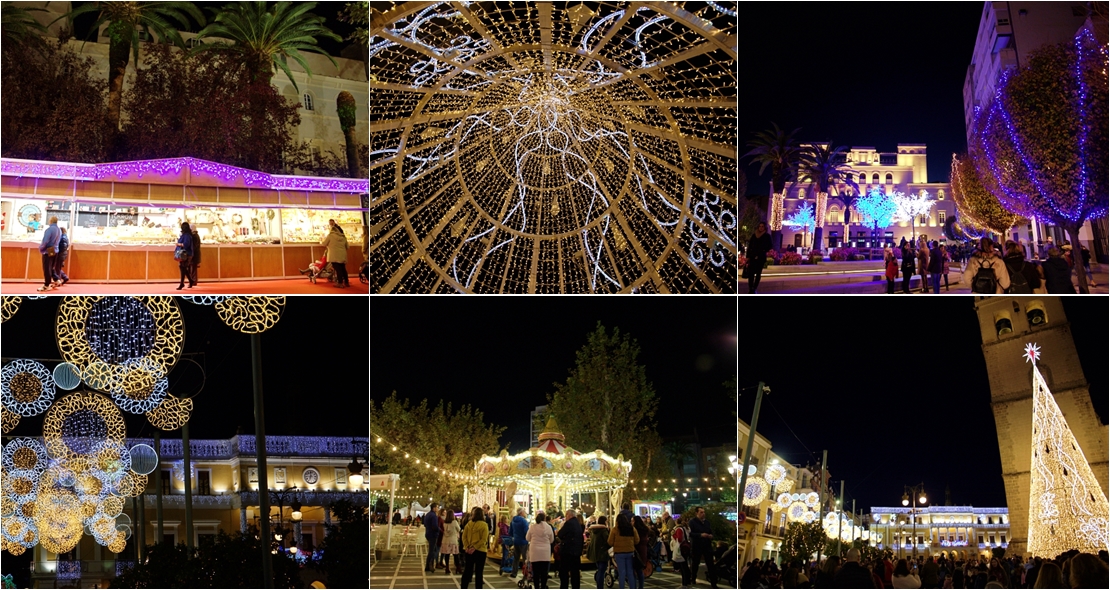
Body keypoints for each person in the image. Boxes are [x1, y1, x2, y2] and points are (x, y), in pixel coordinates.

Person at [688, 507, 718, 588]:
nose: (703, 514)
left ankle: (713, 583)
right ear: (696, 513)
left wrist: (711, 536)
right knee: (695, 563)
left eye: (704, 512)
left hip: (707, 545)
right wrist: (700, 535)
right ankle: (693, 578)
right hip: (697, 545)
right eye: (701, 512)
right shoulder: (692, 522)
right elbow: (690, 534)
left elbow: (711, 532)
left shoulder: (707, 522)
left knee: (710, 564)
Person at [461, 506, 490, 589]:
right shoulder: (484, 525)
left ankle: (463, 587)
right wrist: (475, 547)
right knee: (479, 573)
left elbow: (464, 536)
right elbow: (484, 539)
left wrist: (467, 547)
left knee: (467, 571)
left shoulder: (469, 524)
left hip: (469, 550)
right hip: (480, 551)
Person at [608, 513, 639, 589]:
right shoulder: (632, 528)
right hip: (630, 552)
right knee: (630, 573)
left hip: (619, 553)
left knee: (621, 573)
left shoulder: (615, 529)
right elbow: (637, 540)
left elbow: (610, 542)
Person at [526, 512, 555, 589]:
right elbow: (552, 540)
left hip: (535, 552)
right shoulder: (548, 527)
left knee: (536, 572)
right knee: (544, 572)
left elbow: (527, 538)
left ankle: (536, 587)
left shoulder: (532, 527)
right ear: (545, 518)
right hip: (545, 552)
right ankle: (543, 586)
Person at [558, 508, 584, 589]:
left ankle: (564, 587)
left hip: (567, 551)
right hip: (576, 551)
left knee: (564, 572)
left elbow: (560, 534)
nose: (565, 517)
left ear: (570, 515)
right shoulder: (578, 523)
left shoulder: (569, 523)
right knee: (575, 572)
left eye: (566, 515)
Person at [745, 222, 773, 294]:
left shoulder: (767, 236)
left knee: (758, 273)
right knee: (751, 273)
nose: (761, 228)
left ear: (764, 228)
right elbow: (750, 246)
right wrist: (748, 256)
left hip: (760, 257)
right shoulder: (754, 235)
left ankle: (754, 288)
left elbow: (770, 246)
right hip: (752, 256)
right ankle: (750, 287)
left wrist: (763, 250)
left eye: (762, 226)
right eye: (760, 226)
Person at [320, 223, 350, 287]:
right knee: (343, 268)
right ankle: (346, 282)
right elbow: (347, 247)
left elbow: (324, 244)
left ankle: (340, 283)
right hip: (342, 255)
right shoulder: (343, 237)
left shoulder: (330, 236)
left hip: (334, 255)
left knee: (338, 269)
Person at [37, 216, 61, 292]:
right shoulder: (59, 230)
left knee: (47, 268)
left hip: (48, 251)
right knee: (52, 267)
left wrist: (41, 248)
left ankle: (46, 285)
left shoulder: (49, 229)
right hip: (56, 250)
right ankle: (56, 280)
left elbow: (45, 241)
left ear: (50, 221)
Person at [587, 515, 611, 589]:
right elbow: (608, 541)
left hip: (595, 553)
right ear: (604, 522)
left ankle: (599, 586)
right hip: (602, 553)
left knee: (599, 570)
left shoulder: (593, 531)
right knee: (601, 570)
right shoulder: (603, 531)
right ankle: (600, 587)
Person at [670, 515, 692, 589]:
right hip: (686, 547)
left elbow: (679, 539)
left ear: (676, 522)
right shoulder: (686, 528)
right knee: (685, 566)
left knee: (683, 567)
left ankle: (684, 583)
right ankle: (688, 581)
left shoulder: (679, 529)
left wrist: (673, 534)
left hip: (681, 548)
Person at [175, 222, 196, 290]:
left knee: (182, 268)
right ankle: (190, 280)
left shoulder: (186, 235)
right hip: (186, 254)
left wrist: (179, 244)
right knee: (183, 268)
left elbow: (186, 244)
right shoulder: (187, 235)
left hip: (186, 254)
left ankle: (182, 283)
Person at [510, 508, 530, 578]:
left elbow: (510, 532)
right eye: (524, 512)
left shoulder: (513, 520)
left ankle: (514, 572)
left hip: (516, 541)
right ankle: (526, 574)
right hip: (523, 541)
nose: (525, 513)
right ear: (521, 513)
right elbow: (526, 532)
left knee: (516, 558)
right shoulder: (524, 521)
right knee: (525, 558)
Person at [631, 515, 650, 589]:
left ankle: (634, 587)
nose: (631, 522)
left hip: (636, 550)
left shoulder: (635, 530)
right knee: (639, 570)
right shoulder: (645, 529)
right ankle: (641, 587)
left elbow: (635, 540)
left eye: (632, 521)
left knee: (634, 570)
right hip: (643, 550)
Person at [442, 509, 461, 575]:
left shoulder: (445, 523)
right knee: (456, 555)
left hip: (446, 540)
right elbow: (459, 529)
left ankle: (447, 567)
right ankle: (458, 568)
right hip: (453, 540)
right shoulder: (454, 522)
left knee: (447, 555)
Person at [424, 503, 442, 573]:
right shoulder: (434, 516)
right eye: (437, 507)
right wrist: (439, 529)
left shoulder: (428, 515)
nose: (438, 509)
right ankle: (429, 565)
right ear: (434, 508)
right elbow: (435, 526)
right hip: (433, 534)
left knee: (432, 550)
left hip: (428, 533)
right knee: (432, 551)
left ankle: (429, 565)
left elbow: (425, 524)